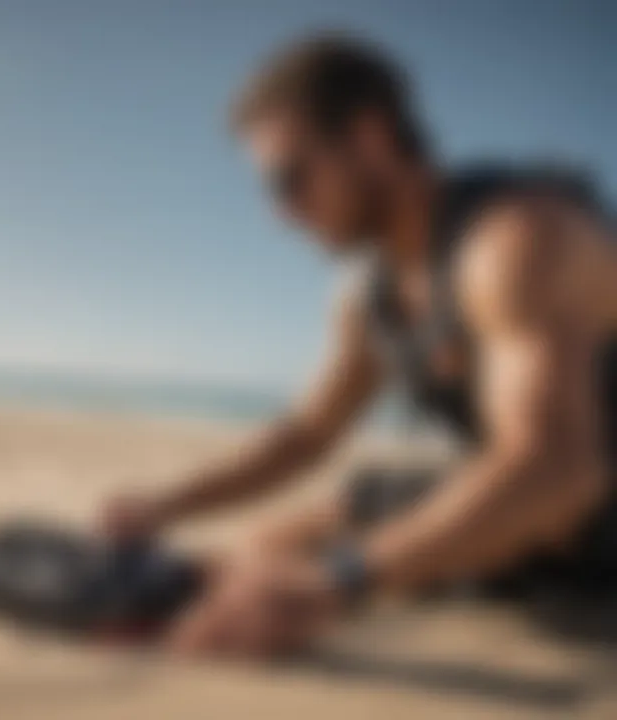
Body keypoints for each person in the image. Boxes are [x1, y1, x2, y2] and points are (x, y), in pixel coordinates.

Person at [102, 33, 617, 657]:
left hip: (579, 499)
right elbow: (307, 435)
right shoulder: (372, 297)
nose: (279, 214)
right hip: (562, 519)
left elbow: (560, 467)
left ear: (371, 136)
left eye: (290, 179)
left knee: (323, 565)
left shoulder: (516, 240)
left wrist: (338, 584)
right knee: (263, 550)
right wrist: (162, 509)